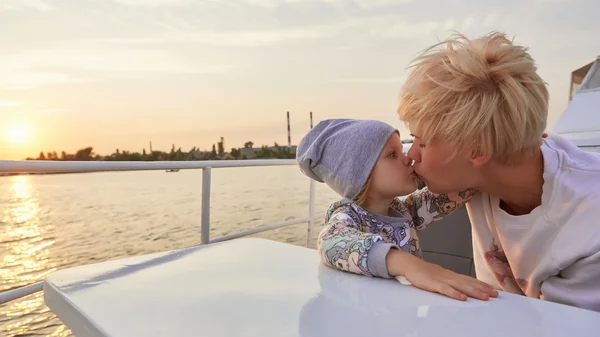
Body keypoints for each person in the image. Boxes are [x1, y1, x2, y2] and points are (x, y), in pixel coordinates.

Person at [396, 31, 600, 311]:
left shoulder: (590, 226)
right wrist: (406, 264)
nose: (411, 155)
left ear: (477, 150)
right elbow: (356, 224)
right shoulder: (475, 179)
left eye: (422, 142)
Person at [296, 118, 498, 301]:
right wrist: (408, 264)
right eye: (392, 154)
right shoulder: (349, 215)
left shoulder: (404, 211)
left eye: (402, 150)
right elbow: (331, 242)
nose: (407, 158)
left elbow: (456, 189)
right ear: (360, 176)